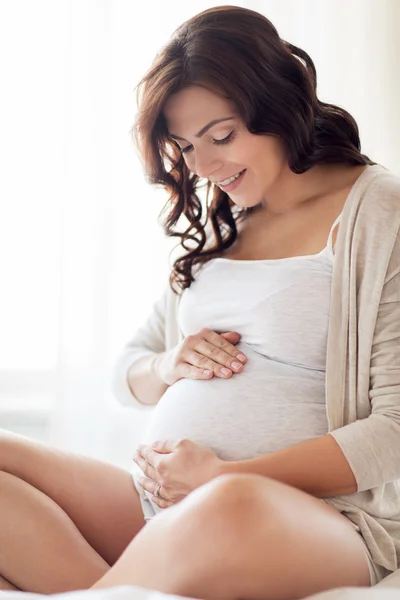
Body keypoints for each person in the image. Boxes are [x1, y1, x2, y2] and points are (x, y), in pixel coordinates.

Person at [1, 5, 399, 600]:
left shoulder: (378, 213)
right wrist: (168, 364)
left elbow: (393, 430)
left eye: (222, 136)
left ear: (281, 104)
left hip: (311, 517)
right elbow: (127, 373)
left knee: (229, 504)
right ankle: (108, 589)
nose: (205, 166)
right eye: (186, 148)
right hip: (164, 505)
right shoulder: (219, 230)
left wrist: (223, 477)